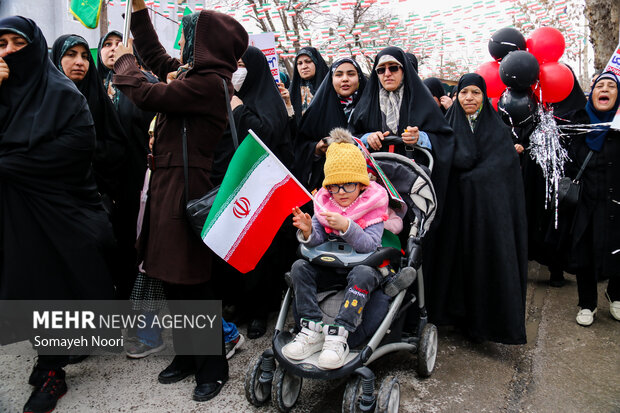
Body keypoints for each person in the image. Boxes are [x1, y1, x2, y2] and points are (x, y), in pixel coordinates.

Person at [111, 0, 248, 402]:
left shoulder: (210, 83)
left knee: (192, 281)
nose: (185, 41)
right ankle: (188, 356)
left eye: (191, 34)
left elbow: (147, 92)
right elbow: (155, 56)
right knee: (171, 278)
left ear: (208, 44)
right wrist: (138, 11)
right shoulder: (195, 74)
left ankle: (212, 365)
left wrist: (123, 63)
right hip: (168, 182)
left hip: (186, 185)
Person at [0, 16, 116, 413]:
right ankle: (47, 356)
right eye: (3, 44)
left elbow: (74, 149)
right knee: (25, 287)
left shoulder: (63, 95)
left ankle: (53, 370)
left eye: (19, 42)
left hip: (59, 214)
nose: (11, 51)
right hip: (15, 214)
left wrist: (8, 163)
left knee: (52, 286)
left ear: (34, 46)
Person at [427, 73, 528, 344]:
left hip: (486, 216)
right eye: (464, 93)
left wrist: (473, 179)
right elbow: (439, 163)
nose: (469, 98)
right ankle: (451, 315)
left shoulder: (497, 130)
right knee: (453, 262)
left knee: (484, 262)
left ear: (484, 97)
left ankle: (483, 325)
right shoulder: (447, 128)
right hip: (455, 215)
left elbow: (503, 169)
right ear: (456, 96)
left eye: (475, 92)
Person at [282, 135, 397, 370]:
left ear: (362, 185)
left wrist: (346, 226)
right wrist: (308, 232)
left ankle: (340, 335)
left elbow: (370, 245)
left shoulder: (372, 209)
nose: (341, 192)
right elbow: (317, 238)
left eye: (348, 185)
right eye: (334, 186)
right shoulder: (325, 205)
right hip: (330, 267)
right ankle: (311, 328)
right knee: (299, 268)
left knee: (365, 272)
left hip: (361, 269)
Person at [210, 45, 294, 339]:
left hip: (261, 189)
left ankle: (260, 311)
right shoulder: (226, 98)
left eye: (242, 64)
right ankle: (241, 304)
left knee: (261, 251)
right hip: (234, 186)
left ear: (256, 68)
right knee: (236, 247)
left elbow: (267, 135)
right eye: (233, 65)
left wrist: (239, 110)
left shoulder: (267, 101)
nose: (237, 70)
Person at [350, 47, 454, 229]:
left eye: (393, 68)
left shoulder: (422, 101)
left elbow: (445, 138)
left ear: (404, 70)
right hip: (374, 183)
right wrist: (366, 138)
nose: (387, 74)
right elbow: (352, 136)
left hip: (412, 183)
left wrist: (421, 138)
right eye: (381, 70)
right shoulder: (366, 103)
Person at [97, 29, 158, 300]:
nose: (113, 48)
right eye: (106, 44)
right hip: (106, 185)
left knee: (137, 246)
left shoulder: (142, 83)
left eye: (118, 43)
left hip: (138, 180)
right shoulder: (94, 85)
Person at [569, 72, 620, 326]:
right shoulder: (579, 124)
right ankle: (587, 303)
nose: (606, 89)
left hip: (617, 203)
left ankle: (616, 295)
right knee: (585, 252)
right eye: (601, 85)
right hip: (586, 203)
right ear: (592, 93)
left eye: (612, 86)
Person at [296, 57, 367, 192]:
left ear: (359, 77)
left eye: (351, 74)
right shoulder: (317, 110)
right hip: (330, 187)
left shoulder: (372, 106)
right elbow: (301, 145)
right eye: (339, 74)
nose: (345, 79)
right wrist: (316, 148)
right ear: (331, 78)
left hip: (366, 183)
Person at [286, 46, 329, 125]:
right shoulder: (291, 92)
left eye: (308, 61)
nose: (304, 67)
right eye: (299, 63)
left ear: (316, 63)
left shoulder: (330, 87)